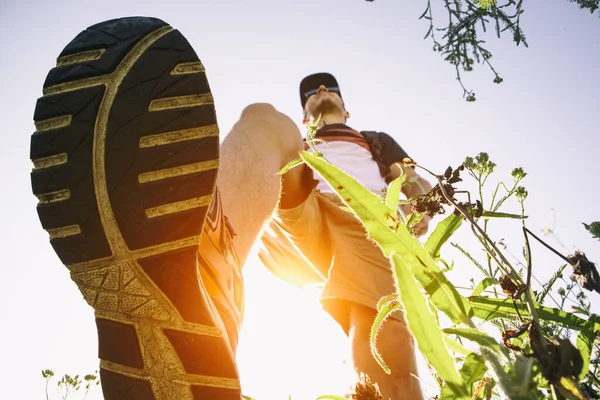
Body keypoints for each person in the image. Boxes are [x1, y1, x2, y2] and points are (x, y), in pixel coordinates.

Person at [29, 16, 430, 400]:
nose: (321, 90)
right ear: (308, 111)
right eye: (311, 92)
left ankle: (385, 396)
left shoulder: (372, 139)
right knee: (264, 120)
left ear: (345, 104)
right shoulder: (303, 139)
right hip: (298, 213)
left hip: (365, 221)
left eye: (329, 87)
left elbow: (417, 184)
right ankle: (205, 274)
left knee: (378, 322)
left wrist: (419, 210)